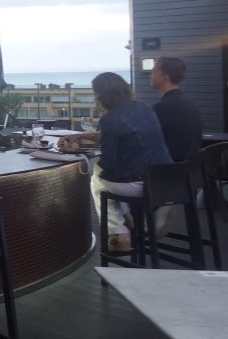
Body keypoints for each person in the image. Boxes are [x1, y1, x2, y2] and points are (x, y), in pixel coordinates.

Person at [58, 72, 171, 253]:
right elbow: (123, 135)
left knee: (97, 179)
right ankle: (124, 218)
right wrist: (80, 136)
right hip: (166, 179)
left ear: (101, 95)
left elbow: (110, 165)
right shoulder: (144, 108)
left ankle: (119, 233)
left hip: (141, 183)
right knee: (103, 177)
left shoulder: (111, 119)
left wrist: (78, 151)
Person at [150, 57, 202, 162]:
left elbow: (145, 140)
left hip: (169, 168)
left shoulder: (163, 107)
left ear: (165, 77)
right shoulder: (189, 104)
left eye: (154, 71)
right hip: (190, 168)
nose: (150, 75)